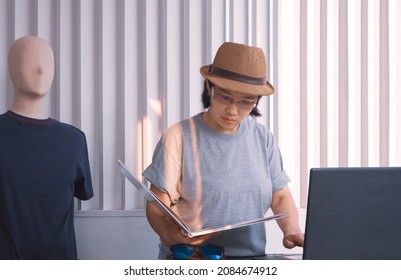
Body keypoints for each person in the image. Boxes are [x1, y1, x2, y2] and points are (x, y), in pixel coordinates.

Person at [143, 42, 304, 259]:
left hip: (251, 260)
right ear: (209, 87)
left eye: (246, 102)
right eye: (225, 97)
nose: (232, 110)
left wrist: (291, 229)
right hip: (193, 259)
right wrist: (171, 235)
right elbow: (156, 206)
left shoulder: (262, 137)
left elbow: (280, 195)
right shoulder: (179, 136)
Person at [0, 36, 93, 259]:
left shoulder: (75, 139)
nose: (41, 69)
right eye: (29, 61)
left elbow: (84, 193)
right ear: (11, 69)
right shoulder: (73, 138)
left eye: (47, 62)